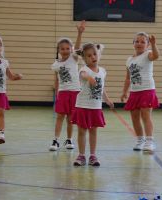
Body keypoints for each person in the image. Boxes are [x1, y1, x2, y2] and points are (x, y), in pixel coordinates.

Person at [71, 43, 114, 166]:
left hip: (96, 107)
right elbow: (83, 75)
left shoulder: (103, 71)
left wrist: (107, 100)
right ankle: (81, 155)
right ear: (84, 59)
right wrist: (89, 78)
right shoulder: (84, 70)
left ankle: (93, 155)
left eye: (95, 54)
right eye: (89, 56)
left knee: (93, 132)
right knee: (82, 132)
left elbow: (101, 89)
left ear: (98, 55)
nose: (93, 57)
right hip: (83, 106)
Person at [49, 21, 86, 151]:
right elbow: (56, 80)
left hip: (75, 92)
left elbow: (77, 48)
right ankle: (55, 140)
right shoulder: (56, 64)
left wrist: (79, 33)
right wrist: (57, 93)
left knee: (71, 118)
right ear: (58, 50)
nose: (65, 50)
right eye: (62, 48)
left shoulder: (73, 58)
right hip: (63, 93)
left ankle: (69, 139)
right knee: (60, 117)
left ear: (70, 50)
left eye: (67, 48)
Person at [120, 32, 160, 152]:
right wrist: (124, 92)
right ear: (133, 44)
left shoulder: (148, 54)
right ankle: (140, 139)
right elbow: (128, 78)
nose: (139, 43)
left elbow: (156, 56)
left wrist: (154, 45)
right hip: (134, 91)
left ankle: (149, 141)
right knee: (135, 117)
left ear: (147, 45)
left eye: (143, 42)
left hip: (147, 89)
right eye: (137, 41)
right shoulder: (129, 60)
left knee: (145, 115)